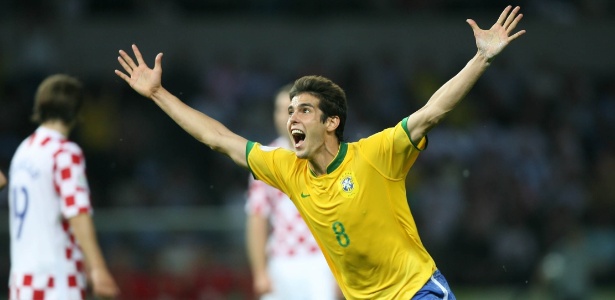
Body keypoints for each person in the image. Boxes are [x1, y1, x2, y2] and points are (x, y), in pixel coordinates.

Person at [115, 6, 525, 299]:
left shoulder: (376, 154)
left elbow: (432, 111)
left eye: (305, 110)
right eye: (291, 110)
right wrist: (158, 94)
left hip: (416, 292)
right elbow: (218, 138)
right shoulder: (287, 169)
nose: (292, 118)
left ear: (331, 123)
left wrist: (481, 59)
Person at [7, 74, 119, 299]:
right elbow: (77, 211)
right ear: (78, 111)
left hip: (21, 281)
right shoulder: (64, 152)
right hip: (55, 278)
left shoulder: (23, 152)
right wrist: (97, 267)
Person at [245, 84, 339, 300]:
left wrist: (342, 271)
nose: (288, 117)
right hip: (280, 264)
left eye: (296, 110)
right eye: (282, 110)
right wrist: (260, 272)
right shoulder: (264, 159)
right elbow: (257, 219)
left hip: (321, 263)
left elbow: (344, 217)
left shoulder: (329, 157)